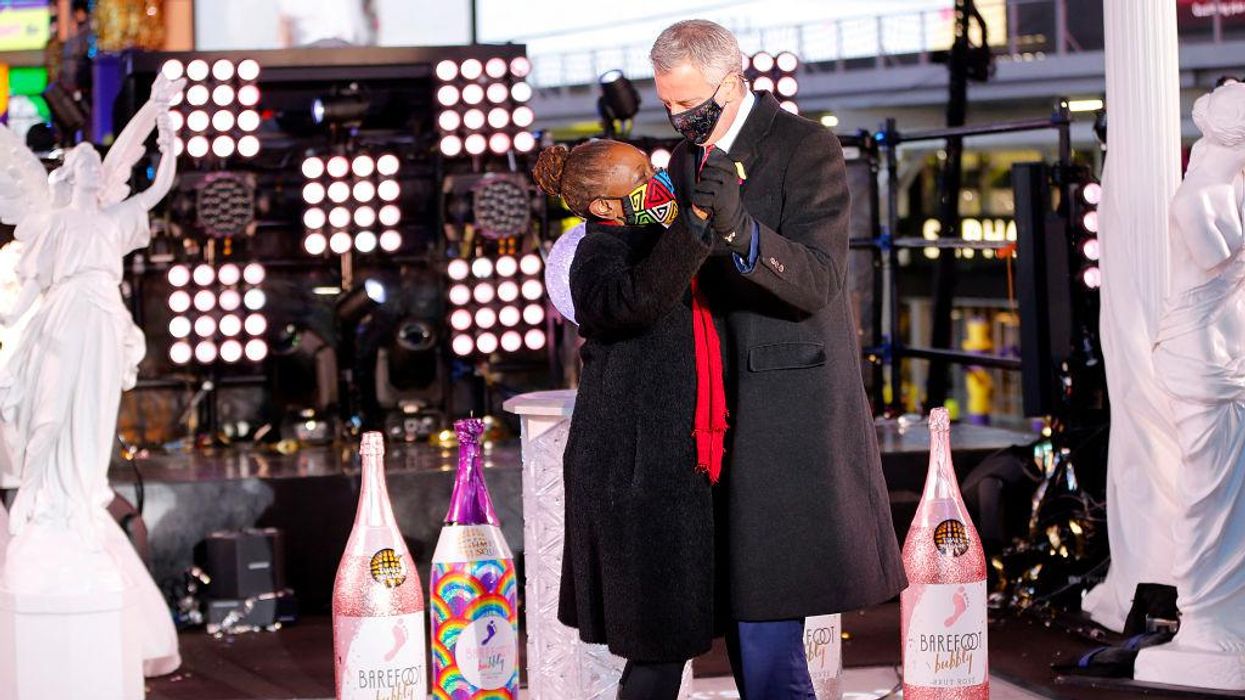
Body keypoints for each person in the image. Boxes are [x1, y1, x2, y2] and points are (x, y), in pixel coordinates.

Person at [649, 19, 907, 697]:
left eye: (688, 102)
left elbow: (819, 281)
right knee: (739, 603)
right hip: (710, 403)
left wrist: (742, 231)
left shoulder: (805, 146)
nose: (678, 117)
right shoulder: (683, 159)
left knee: (766, 608)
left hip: (786, 406)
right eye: (667, 103)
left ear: (732, 81)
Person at [533, 140, 718, 699]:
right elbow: (630, 302)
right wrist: (694, 225)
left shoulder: (649, 240)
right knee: (658, 643)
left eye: (650, 167)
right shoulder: (597, 252)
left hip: (659, 464)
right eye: (639, 177)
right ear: (603, 207)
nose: (656, 181)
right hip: (633, 471)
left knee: (664, 643)